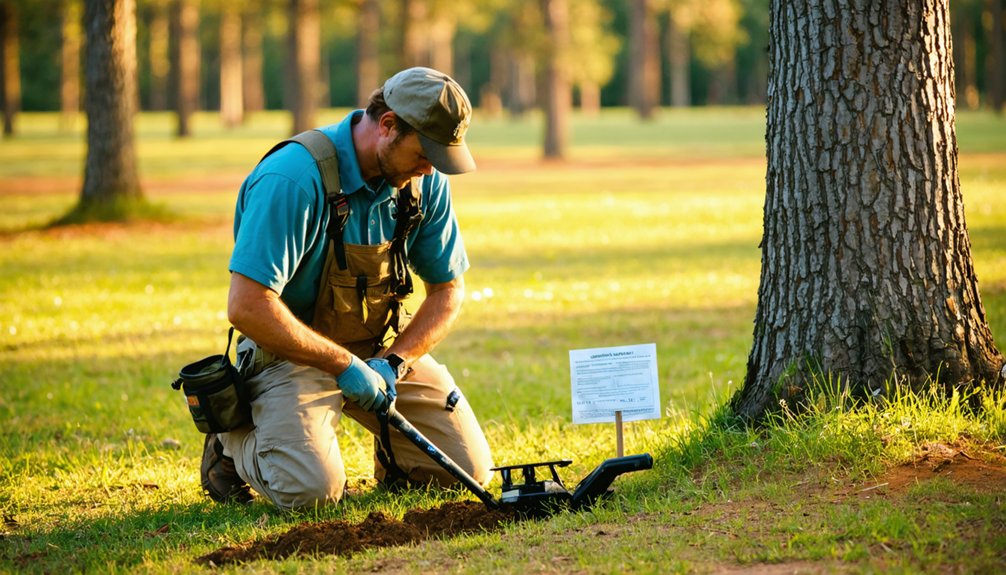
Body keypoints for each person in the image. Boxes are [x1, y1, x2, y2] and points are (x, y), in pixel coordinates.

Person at [201, 67, 494, 509]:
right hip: (289, 354)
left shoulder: (423, 180)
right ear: (388, 125)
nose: (431, 167)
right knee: (312, 494)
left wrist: (394, 363)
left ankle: (395, 456)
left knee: (466, 472)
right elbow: (246, 306)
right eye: (425, 152)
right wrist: (341, 364)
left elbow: (447, 290)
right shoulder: (293, 178)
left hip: (379, 353)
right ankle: (232, 443)